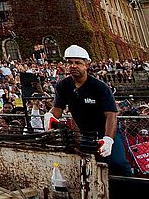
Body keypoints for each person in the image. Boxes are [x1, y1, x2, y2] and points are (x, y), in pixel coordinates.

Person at [49, 44, 132, 175]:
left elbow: (111, 115)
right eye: (70, 62)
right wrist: (49, 116)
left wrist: (108, 139)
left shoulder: (99, 87)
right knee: (91, 164)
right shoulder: (63, 85)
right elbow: (58, 110)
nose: (73, 66)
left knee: (118, 163)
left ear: (86, 65)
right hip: (85, 132)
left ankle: (131, 185)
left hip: (106, 129)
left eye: (78, 62)